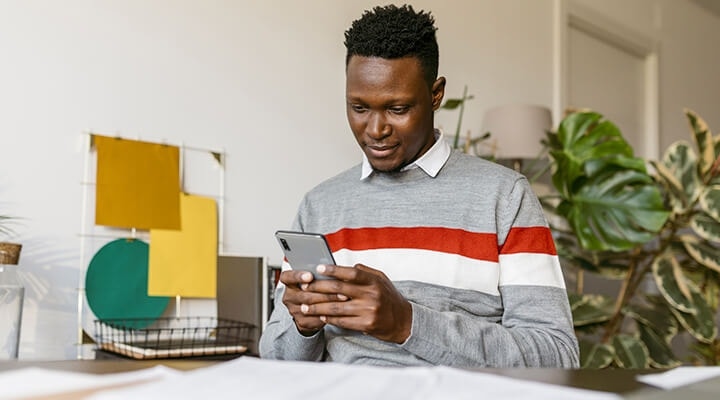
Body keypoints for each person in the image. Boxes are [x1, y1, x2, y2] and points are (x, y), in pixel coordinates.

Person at [259, 4, 579, 368]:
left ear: (436, 94)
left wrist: (407, 322)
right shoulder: (320, 205)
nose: (376, 129)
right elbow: (275, 358)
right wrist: (303, 327)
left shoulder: (504, 198)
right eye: (359, 108)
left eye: (397, 108)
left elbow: (557, 355)